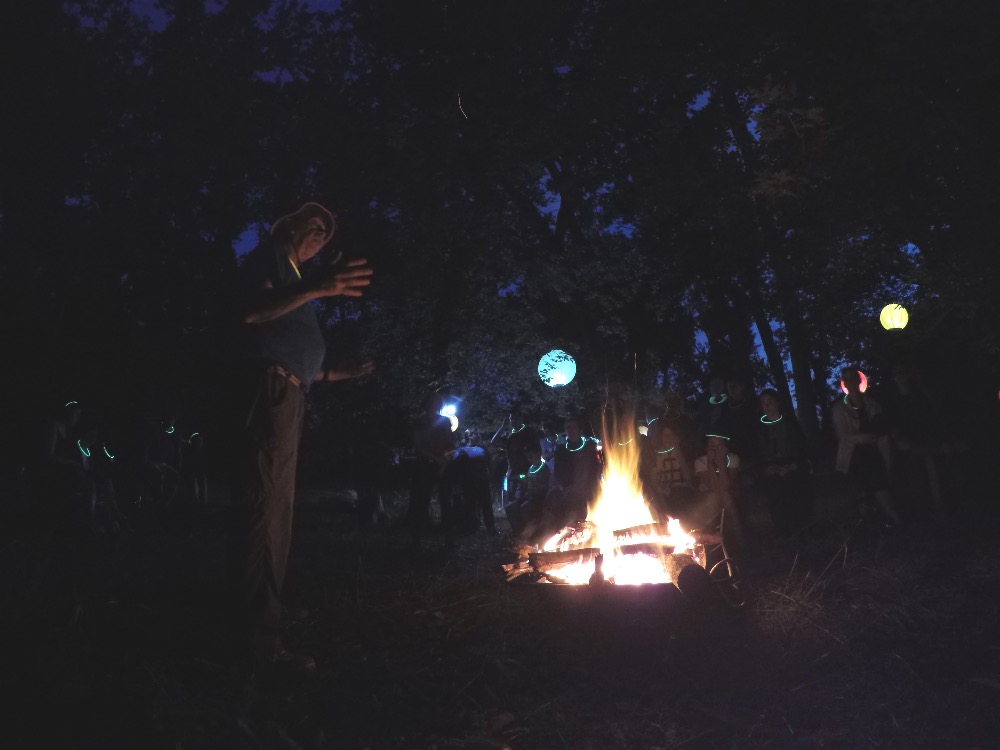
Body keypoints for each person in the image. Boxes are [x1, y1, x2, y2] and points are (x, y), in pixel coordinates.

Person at [229, 201, 373, 672]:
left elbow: (291, 345)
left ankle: (268, 606)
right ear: (288, 224)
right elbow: (251, 314)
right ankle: (256, 636)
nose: (320, 234)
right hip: (269, 389)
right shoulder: (268, 259)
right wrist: (316, 285)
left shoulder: (294, 279)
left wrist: (332, 373)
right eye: (314, 224)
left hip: (289, 390)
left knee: (280, 509)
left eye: (326, 234)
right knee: (265, 504)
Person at [832, 367, 902, 527]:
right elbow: (843, 434)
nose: (850, 382)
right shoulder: (839, 408)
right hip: (853, 453)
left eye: (852, 378)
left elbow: (882, 430)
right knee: (870, 471)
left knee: (876, 469)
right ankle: (891, 514)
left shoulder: (872, 404)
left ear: (859, 380)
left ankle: (884, 515)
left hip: (877, 449)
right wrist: (861, 438)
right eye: (846, 379)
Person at [756, 389, 812, 539]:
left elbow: (802, 448)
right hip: (770, 468)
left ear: (777, 403)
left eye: (769, 402)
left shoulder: (790, 423)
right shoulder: (759, 428)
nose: (767, 406)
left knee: (795, 488)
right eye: (763, 403)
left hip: (792, 466)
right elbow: (758, 454)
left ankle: (801, 530)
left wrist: (792, 466)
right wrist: (769, 468)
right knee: (774, 492)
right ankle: (783, 533)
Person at [547, 416, 602, 527]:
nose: (571, 431)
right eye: (568, 428)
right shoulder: (561, 450)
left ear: (580, 430)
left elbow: (596, 469)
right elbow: (558, 473)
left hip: (589, 489)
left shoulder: (589, 448)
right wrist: (566, 486)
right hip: (568, 489)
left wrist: (587, 486)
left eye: (574, 428)